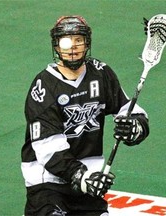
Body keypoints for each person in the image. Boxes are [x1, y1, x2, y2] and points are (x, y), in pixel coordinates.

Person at [21, 15, 149, 216]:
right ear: (56, 46)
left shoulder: (101, 73)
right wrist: (82, 177)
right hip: (48, 183)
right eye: (65, 41)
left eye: (78, 40)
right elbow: (48, 151)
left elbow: (131, 111)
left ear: (87, 43)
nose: (72, 47)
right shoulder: (44, 87)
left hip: (90, 183)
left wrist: (135, 126)